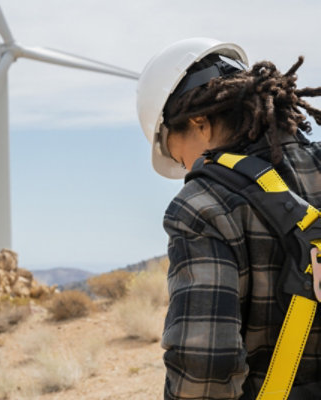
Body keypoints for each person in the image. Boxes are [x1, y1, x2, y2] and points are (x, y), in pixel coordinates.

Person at [136, 38, 321, 399]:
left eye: (178, 157)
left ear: (200, 122)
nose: (186, 168)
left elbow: (204, 371)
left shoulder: (203, 205)